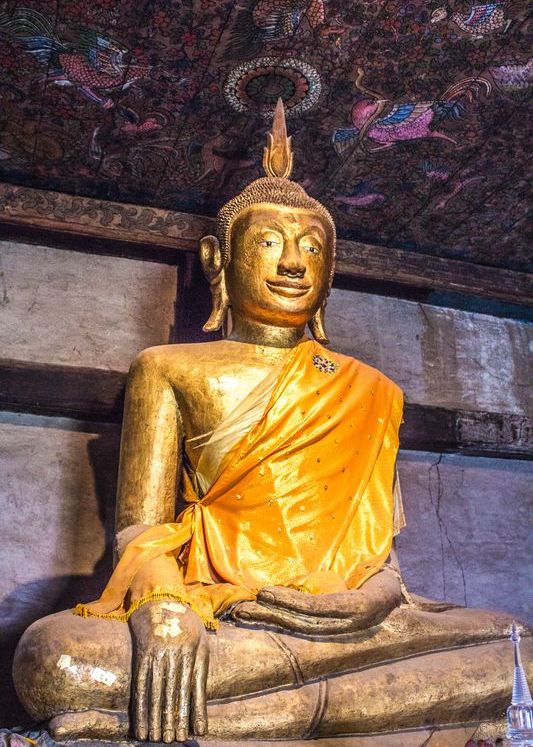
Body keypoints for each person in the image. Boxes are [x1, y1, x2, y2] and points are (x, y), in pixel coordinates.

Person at [13, 101, 531, 745]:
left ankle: (232, 722)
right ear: (217, 259)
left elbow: (376, 550)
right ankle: (301, 713)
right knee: (57, 659)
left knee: (520, 649)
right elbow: (140, 527)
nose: (293, 263)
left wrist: (370, 599)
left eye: (312, 247)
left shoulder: (371, 390)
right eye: (268, 242)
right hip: (225, 610)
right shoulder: (170, 367)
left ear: (330, 270)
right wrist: (164, 610)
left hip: (352, 618)